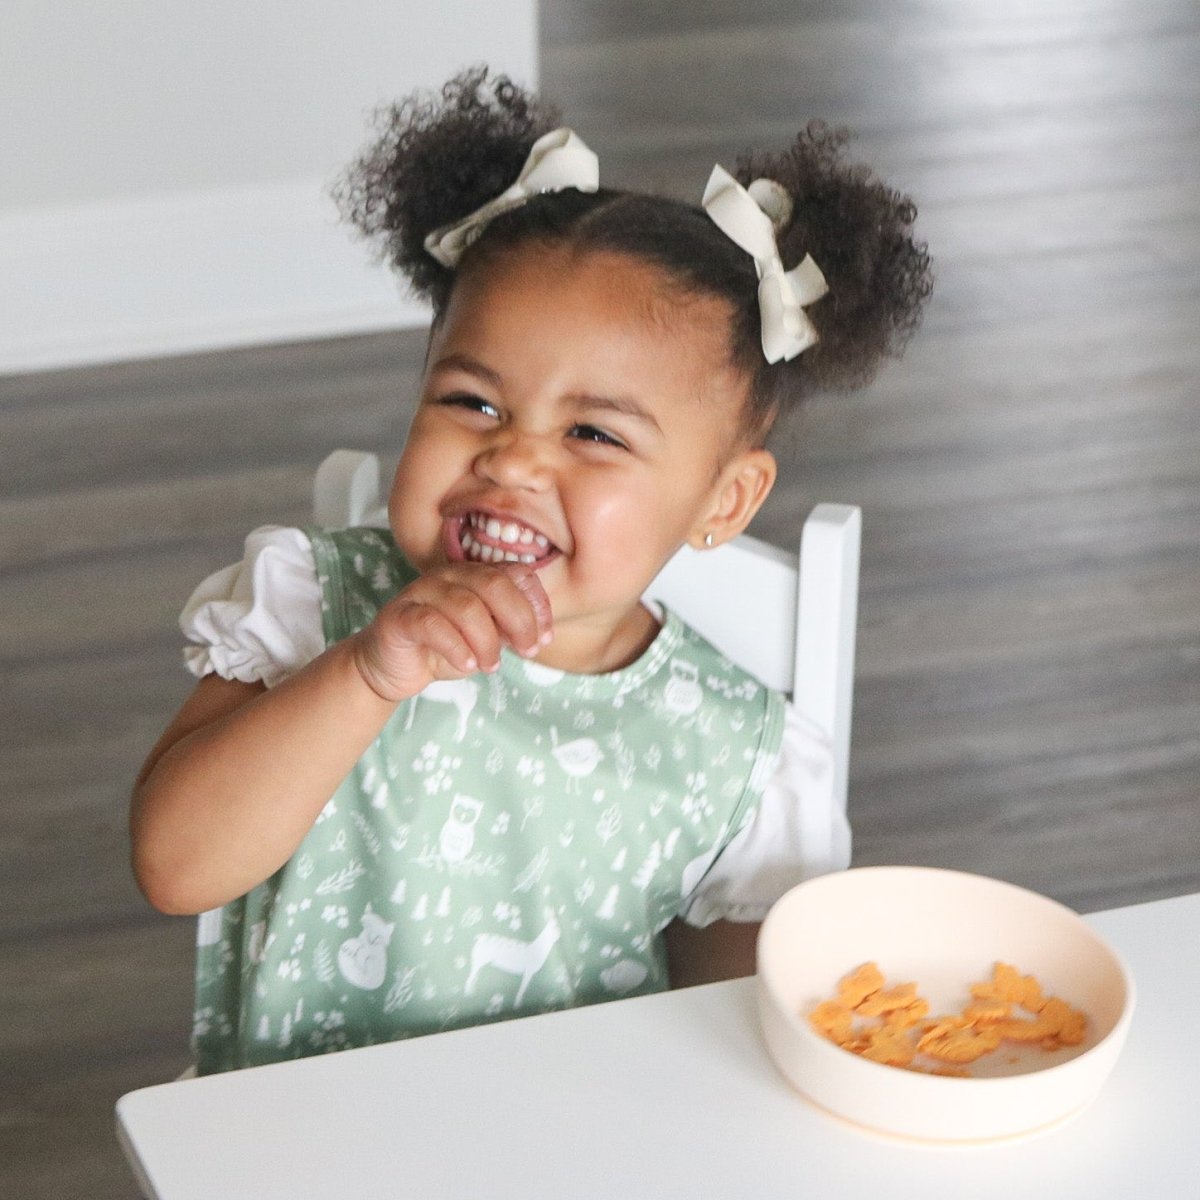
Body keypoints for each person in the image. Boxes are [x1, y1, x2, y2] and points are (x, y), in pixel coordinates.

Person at [130, 67, 932, 1074]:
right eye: (471, 403)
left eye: (593, 431)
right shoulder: (311, 612)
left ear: (723, 501)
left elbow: (733, 1041)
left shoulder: (738, 759)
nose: (511, 460)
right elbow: (174, 866)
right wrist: (368, 672)